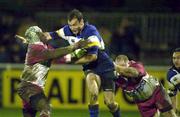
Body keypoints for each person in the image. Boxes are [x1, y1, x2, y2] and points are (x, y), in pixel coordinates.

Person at [38, 9, 121, 117]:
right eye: (70, 25)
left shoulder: (91, 32)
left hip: (104, 65)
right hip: (90, 67)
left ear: (81, 22)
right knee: (93, 94)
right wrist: (35, 38)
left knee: (110, 103)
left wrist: (70, 60)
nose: (72, 28)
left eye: (75, 25)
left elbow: (92, 57)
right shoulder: (67, 30)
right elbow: (50, 35)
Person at [15, 26, 90, 117]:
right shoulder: (36, 48)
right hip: (29, 88)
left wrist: (83, 51)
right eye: (41, 33)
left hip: (30, 88)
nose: (44, 34)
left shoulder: (44, 47)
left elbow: (64, 58)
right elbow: (54, 54)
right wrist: (75, 46)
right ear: (37, 36)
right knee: (46, 108)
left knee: (34, 113)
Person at [167, 48, 180, 116]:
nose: (176, 60)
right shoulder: (171, 74)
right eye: (174, 58)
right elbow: (172, 96)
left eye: (178, 58)